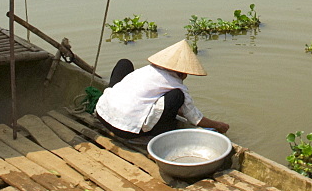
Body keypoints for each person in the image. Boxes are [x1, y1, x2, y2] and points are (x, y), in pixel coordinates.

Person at [94, 39, 229, 140]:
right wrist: (218, 125)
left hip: (101, 114)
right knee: (177, 96)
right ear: (183, 72)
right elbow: (196, 119)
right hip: (126, 131)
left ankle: (108, 105)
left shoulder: (146, 70)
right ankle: (156, 135)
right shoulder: (177, 86)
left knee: (124, 63)